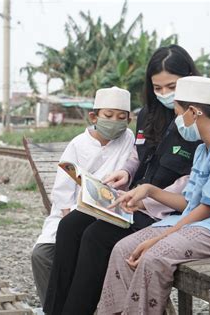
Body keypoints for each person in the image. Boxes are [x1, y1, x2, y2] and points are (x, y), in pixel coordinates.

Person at [43, 45, 206, 315]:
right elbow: (138, 153)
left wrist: (148, 201)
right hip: (131, 200)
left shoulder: (199, 119)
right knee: (70, 226)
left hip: (162, 211)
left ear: (189, 79)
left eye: (171, 86)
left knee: (96, 236)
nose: (164, 94)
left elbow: (195, 180)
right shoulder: (148, 114)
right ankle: (54, 310)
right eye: (157, 87)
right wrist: (128, 173)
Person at [97, 76, 210, 315]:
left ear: (194, 112)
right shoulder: (203, 150)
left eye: (178, 113)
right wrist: (150, 190)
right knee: (123, 249)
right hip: (197, 223)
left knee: (153, 258)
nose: (177, 122)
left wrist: (158, 239)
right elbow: (189, 203)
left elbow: (208, 208)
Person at [31, 86, 135, 306]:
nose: (114, 121)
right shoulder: (78, 144)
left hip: (110, 214)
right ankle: (53, 306)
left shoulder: (128, 139)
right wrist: (71, 215)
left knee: (89, 242)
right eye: (108, 116)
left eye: (121, 117)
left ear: (129, 119)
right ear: (93, 116)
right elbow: (63, 191)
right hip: (73, 213)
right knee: (42, 254)